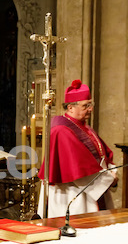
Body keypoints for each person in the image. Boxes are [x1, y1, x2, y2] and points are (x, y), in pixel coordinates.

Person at [38, 79, 116, 218]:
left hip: (89, 191)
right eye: (85, 106)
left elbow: (102, 153)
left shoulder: (84, 126)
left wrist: (111, 171)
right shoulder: (60, 130)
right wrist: (108, 179)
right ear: (70, 107)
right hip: (71, 195)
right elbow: (79, 168)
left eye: (90, 104)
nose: (90, 109)